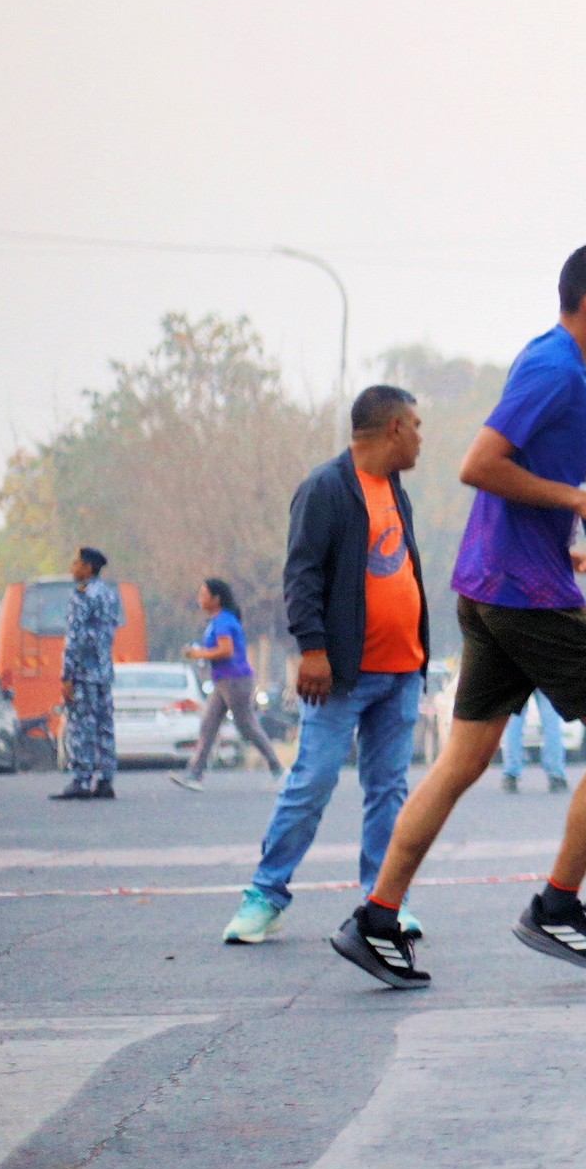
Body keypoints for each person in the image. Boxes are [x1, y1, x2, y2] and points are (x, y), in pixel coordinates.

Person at [329, 242, 586, 989]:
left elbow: (524, 451)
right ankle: (556, 907)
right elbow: (478, 465)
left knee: (462, 761)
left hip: (489, 587)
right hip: (529, 592)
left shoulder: (550, 359)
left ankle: (376, 918)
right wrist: (581, 498)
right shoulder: (556, 369)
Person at [225, 386, 433, 945]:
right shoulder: (326, 487)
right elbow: (301, 575)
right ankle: (264, 895)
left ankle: (386, 902)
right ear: (393, 428)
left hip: (402, 671)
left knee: (388, 790)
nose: (420, 437)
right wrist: (312, 649)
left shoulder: (396, 489)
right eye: (415, 426)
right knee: (312, 781)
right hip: (343, 675)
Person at [176, 578, 280, 789]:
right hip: (224, 680)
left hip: (235, 680)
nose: (200, 599)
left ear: (216, 599)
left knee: (246, 725)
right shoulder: (218, 621)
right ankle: (195, 774)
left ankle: (277, 768)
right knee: (209, 724)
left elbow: (226, 650)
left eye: (203, 595)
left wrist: (198, 653)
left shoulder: (223, 621)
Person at [53, 547, 123, 801]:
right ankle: (105, 780)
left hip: (84, 672)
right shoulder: (110, 594)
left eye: (77, 563)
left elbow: (75, 638)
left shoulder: (82, 595)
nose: (73, 568)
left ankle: (81, 780)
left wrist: (67, 675)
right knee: (104, 726)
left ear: (88, 568)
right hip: (104, 672)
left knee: (82, 725)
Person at [499, 689, 574, 794]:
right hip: (545, 679)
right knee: (551, 722)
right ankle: (556, 775)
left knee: (514, 723)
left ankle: (511, 775)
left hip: (518, 679)